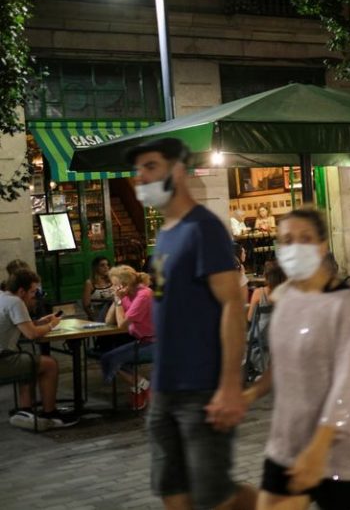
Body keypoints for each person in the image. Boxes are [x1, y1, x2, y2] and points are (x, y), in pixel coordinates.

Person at [126, 137, 255, 510]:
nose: (140, 177)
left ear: (178, 171)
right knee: (173, 489)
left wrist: (230, 385)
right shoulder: (165, 234)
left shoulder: (205, 228)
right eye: (137, 170)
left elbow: (232, 303)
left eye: (150, 167)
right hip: (166, 386)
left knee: (216, 496)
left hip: (202, 385)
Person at [247, 207, 350, 510]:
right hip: (291, 442)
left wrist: (318, 449)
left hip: (345, 448)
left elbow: (348, 382)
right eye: (287, 240)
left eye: (305, 238)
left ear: (322, 246)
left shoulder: (345, 304)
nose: (295, 247)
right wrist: (251, 393)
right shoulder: (284, 299)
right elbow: (283, 363)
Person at [0, 269, 78, 429]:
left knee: (28, 360)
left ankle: (25, 411)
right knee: (49, 364)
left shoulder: (3, 297)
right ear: (21, 291)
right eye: (33, 292)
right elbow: (31, 334)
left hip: (7, 355)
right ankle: (50, 414)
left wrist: (41, 321)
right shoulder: (16, 302)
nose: (35, 296)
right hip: (2, 359)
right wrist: (51, 325)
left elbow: (22, 326)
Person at [101, 265, 155, 410]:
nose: (112, 288)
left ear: (124, 285)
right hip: (141, 341)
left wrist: (119, 301)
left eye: (114, 285)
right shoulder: (126, 295)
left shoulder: (143, 295)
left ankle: (142, 387)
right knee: (110, 358)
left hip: (156, 343)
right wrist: (116, 299)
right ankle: (141, 386)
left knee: (113, 359)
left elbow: (122, 325)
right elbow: (108, 321)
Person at [82, 256, 114, 322]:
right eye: (102, 265)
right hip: (99, 315)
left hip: (113, 312)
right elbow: (86, 305)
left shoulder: (112, 280)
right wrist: (94, 318)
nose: (106, 267)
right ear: (96, 268)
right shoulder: (90, 283)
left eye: (107, 265)